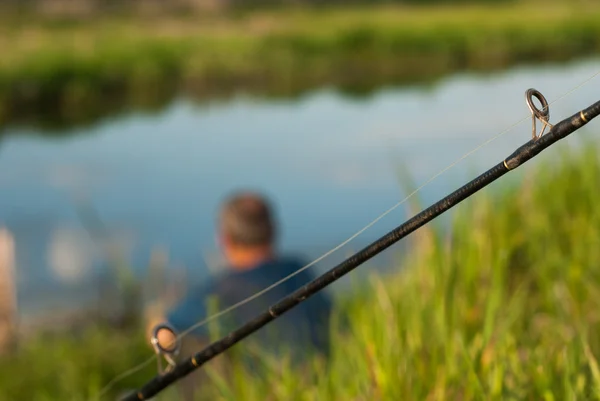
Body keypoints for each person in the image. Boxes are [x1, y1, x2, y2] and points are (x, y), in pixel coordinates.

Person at [147, 191, 332, 399]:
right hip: (316, 384)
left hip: (260, 392)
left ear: (224, 239)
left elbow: (164, 335)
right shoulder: (299, 269)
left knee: (188, 338)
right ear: (273, 230)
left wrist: (153, 318)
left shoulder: (216, 292)